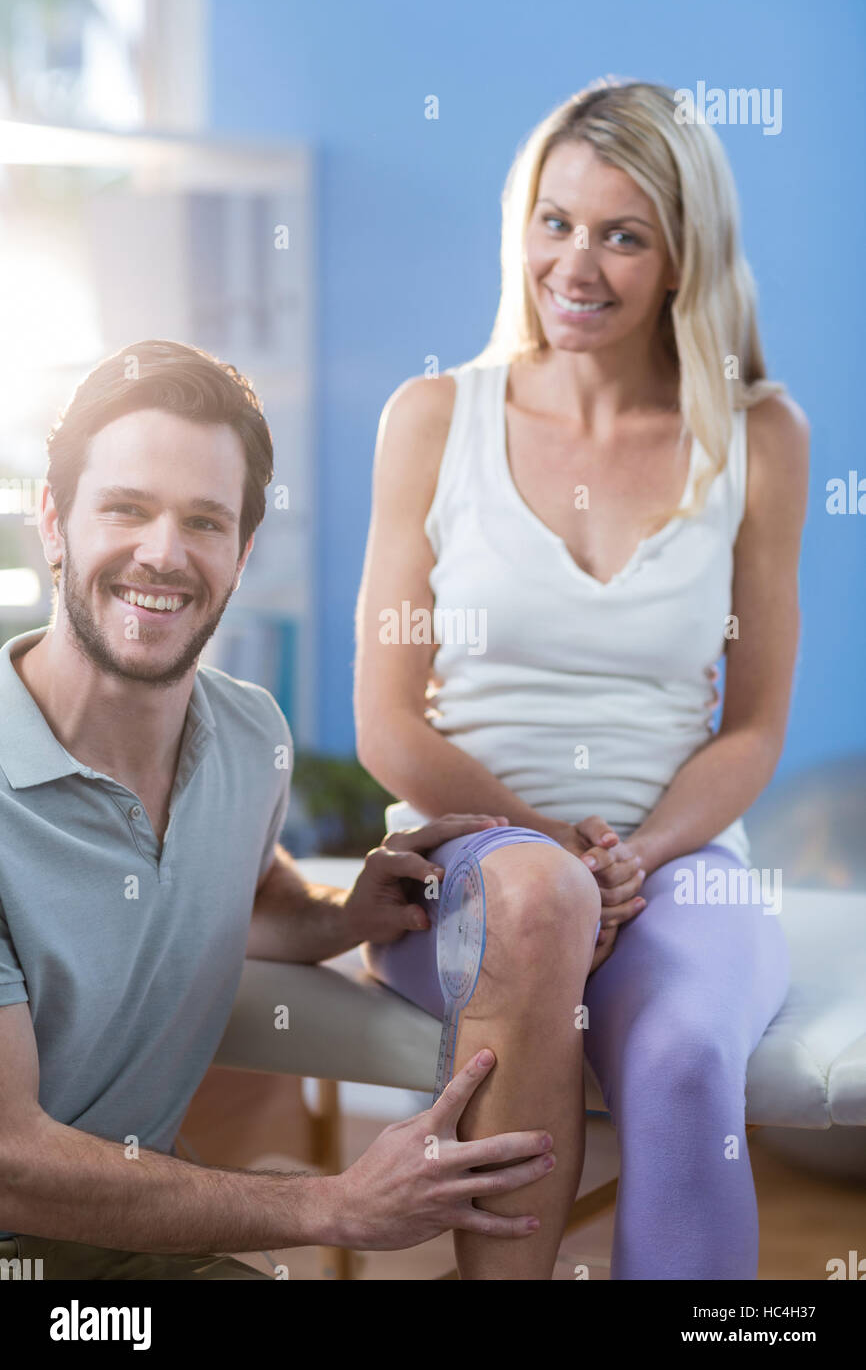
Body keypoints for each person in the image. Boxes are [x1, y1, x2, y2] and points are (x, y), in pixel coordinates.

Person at [354, 79, 810, 1280]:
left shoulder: (756, 437)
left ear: (680, 258)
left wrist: (638, 856)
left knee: (682, 1062)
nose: (575, 262)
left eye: (622, 233)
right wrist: (558, 849)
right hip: (467, 865)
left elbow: (753, 723)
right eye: (553, 221)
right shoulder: (433, 416)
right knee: (538, 898)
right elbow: (388, 724)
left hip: (670, 863)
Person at [0, 340, 558, 1281]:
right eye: (126, 509)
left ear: (243, 550)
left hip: (129, 1251)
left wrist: (344, 915)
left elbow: (241, 891)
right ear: (54, 520)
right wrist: (333, 1205)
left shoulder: (250, 735)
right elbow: (11, 1164)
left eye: (205, 522)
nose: (163, 555)